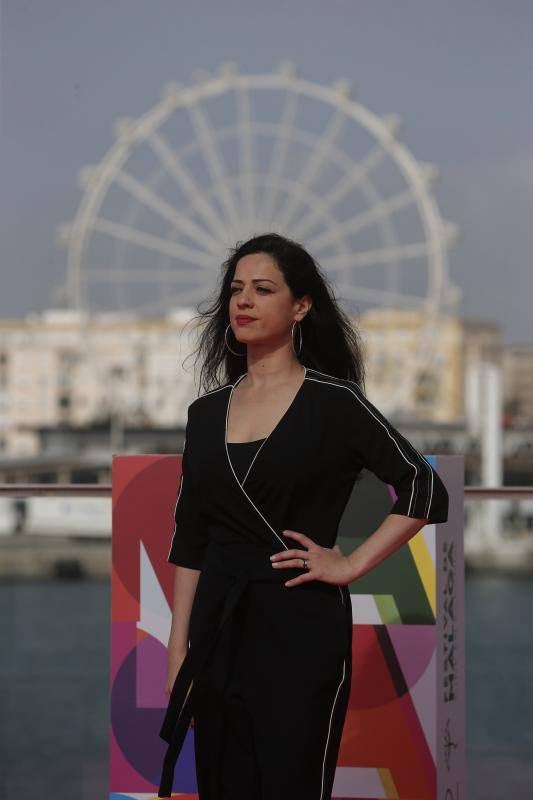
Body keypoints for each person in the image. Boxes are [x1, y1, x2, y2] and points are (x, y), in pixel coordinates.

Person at [157, 232, 449, 799]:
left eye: (262, 289)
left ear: (301, 307)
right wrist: (177, 653)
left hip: (300, 626)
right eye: (236, 289)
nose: (243, 300)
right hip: (216, 631)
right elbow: (191, 540)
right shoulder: (204, 414)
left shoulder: (334, 403)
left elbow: (424, 489)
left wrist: (351, 564)